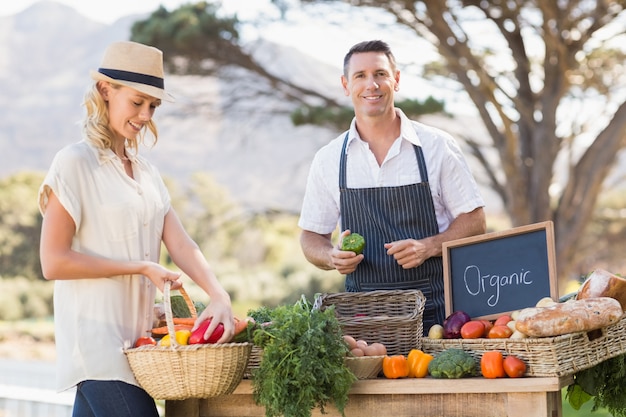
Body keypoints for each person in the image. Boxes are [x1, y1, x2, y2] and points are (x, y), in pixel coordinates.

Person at [38, 41, 235, 417]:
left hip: (139, 348)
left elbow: (180, 243)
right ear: (105, 91)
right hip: (98, 346)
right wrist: (141, 268)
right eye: (137, 102)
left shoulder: (146, 173)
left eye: (153, 106)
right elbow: (54, 262)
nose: (145, 115)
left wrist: (218, 294)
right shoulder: (74, 163)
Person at [298, 40, 486, 332]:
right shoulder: (329, 159)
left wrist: (428, 246)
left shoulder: (436, 147)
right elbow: (311, 237)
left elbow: (475, 221)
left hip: (439, 315)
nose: (371, 84)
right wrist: (331, 256)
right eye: (360, 76)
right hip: (363, 323)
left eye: (380, 74)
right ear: (346, 85)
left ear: (395, 80)